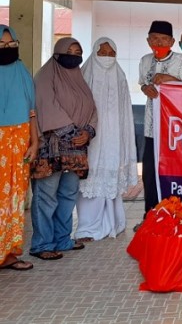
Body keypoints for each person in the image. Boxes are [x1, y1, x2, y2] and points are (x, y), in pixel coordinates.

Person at [30, 37, 97, 260]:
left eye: (78, 51)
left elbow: (92, 109)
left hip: (76, 151)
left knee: (68, 195)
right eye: (69, 50)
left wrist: (88, 131)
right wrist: (72, 133)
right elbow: (46, 105)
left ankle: (62, 239)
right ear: (58, 52)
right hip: (51, 149)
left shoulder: (80, 80)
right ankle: (42, 244)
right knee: (46, 196)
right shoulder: (45, 76)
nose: (74, 54)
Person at [75, 38, 138, 242]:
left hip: (113, 138)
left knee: (109, 179)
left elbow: (125, 114)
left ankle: (113, 222)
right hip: (90, 139)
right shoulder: (84, 74)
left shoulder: (119, 76)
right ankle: (87, 227)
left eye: (112, 54)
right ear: (94, 54)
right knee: (89, 180)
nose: (108, 58)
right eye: (103, 53)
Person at [138, 21, 182, 225]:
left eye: (163, 39)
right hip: (152, 127)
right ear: (148, 40)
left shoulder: (181, 62)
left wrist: (170, 79)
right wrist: (146, 88)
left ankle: (175, 216)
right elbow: (143, 84)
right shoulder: (145, 60)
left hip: (175, 130)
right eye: (154, 38)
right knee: (150, 174)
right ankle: (151, 217)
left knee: (174, 173)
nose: (158, 42)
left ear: (171, 42)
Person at [0, 25, 38, 271]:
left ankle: (10, 254)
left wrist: (35, 142)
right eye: (2, 46)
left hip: (20, 142)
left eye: (11, 45)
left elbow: (32, 112)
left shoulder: (22, 72)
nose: (7, 49)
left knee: (16, 198)